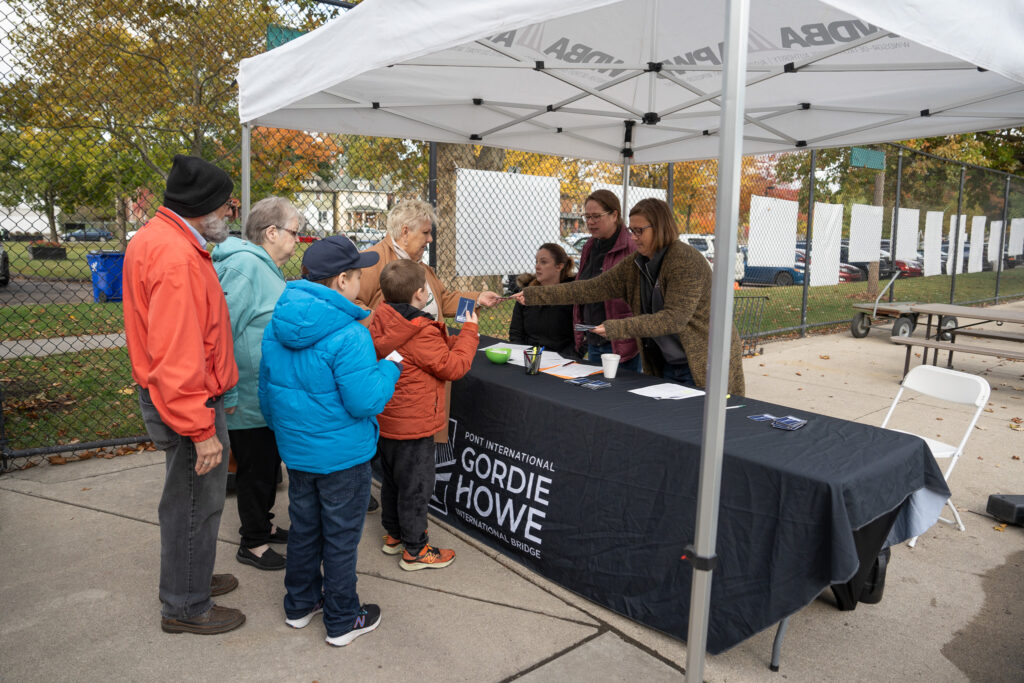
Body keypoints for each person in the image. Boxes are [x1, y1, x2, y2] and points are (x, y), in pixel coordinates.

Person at [122, 154, 245, 635]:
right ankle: (185, 605)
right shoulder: (176, 258)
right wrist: (200, 429)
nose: (230, 215)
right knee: (195, 502)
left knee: (188, 500)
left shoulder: (158, 239)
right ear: (205, 207)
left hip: (177, 396)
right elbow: (177, 352)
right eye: (226, 206)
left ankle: (189, 577)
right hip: (185, 403)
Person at [259, 235, 401, 647]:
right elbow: (366, 401)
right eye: (359, 275)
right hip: (343, 458)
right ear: (342, 280)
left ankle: (300, 604)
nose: (361, 281)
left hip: (299, 454)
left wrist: (288, 432)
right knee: (340, 538)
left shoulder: (277, 324)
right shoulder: (350, 333)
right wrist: (389, 370)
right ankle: (342, 618)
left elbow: (267, 395)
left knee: (305, 529)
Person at [514, 198, 745, 394]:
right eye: (631, 231)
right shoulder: (637, 264)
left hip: (704, 363)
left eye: (639, 231)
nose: (633, 237)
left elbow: (673, 318)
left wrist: (616, 327)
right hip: (668, 361)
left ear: (661, 227)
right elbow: (589, 289)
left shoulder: (684, 261)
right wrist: (533, 295)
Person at [356, 198, 500, 508]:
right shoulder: (371, 261)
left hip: (426, 367)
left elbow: (445, 301)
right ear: (405, 231)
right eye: (426, 232)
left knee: (408, 452)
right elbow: (353, 303)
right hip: (397, 373)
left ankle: (399, 512)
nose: (430, 240)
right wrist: (390, 330)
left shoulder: (420, 268)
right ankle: (408, 519)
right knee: (403, 452)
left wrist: (477, 298)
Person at [368, 259, 479, 570]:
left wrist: (451, 341)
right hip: (415, 425)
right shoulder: (420, 332)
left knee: (392, 481)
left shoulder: (385, 319)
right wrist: (470, 332)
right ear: (420, 294)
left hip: (389, 420)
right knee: (416, 487)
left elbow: (429, 354)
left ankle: (394, 535)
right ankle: (416, 549)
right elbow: (453, 367)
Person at [212, 196, 302, 571]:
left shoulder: (263, 266)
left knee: (267, 464)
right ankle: (253, 543)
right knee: (256, 469)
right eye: (294, 232)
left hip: (263, 392)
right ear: (271, 232)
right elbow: (221, 333)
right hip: (245, 396)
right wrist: (229, 392)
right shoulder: (247, 267)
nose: (298, 239)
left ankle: (262, 524)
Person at [574, 189, 642, 372]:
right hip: (594, 339)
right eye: (586, 217)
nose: (590, 222)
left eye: (596, 216)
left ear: (614, 215)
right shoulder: (590, 245)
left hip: (622, 345)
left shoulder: (632, 247)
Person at [508, 243, 577, 356]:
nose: (537, 267)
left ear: (559, 266)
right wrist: (524, 356)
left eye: (543, 262)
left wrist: (570, 356)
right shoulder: (527, 294)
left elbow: (583, 335)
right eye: (536, 262)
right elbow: (516, 333)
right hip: (530, 358)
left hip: (563, 361)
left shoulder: (573, 295)